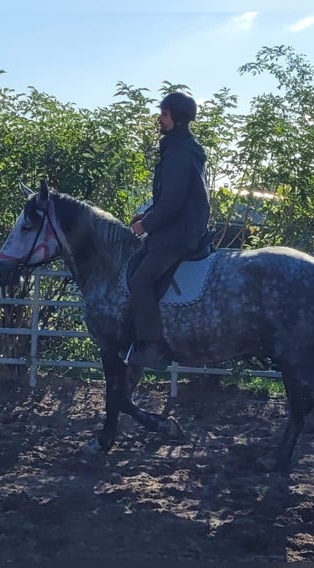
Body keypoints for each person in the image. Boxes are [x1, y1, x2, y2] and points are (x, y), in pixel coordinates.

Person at [126, 91, 211, 370]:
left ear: (177, 118)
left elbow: (173, 202)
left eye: (164, 114)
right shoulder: (178, 148)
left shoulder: (179, 153)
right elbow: (169, 199)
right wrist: (147, 214)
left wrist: (145, 225)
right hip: (176, 227)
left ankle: (153, 349)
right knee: (134, 267)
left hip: (179, 233)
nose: (159, 118)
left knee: (140, 282)